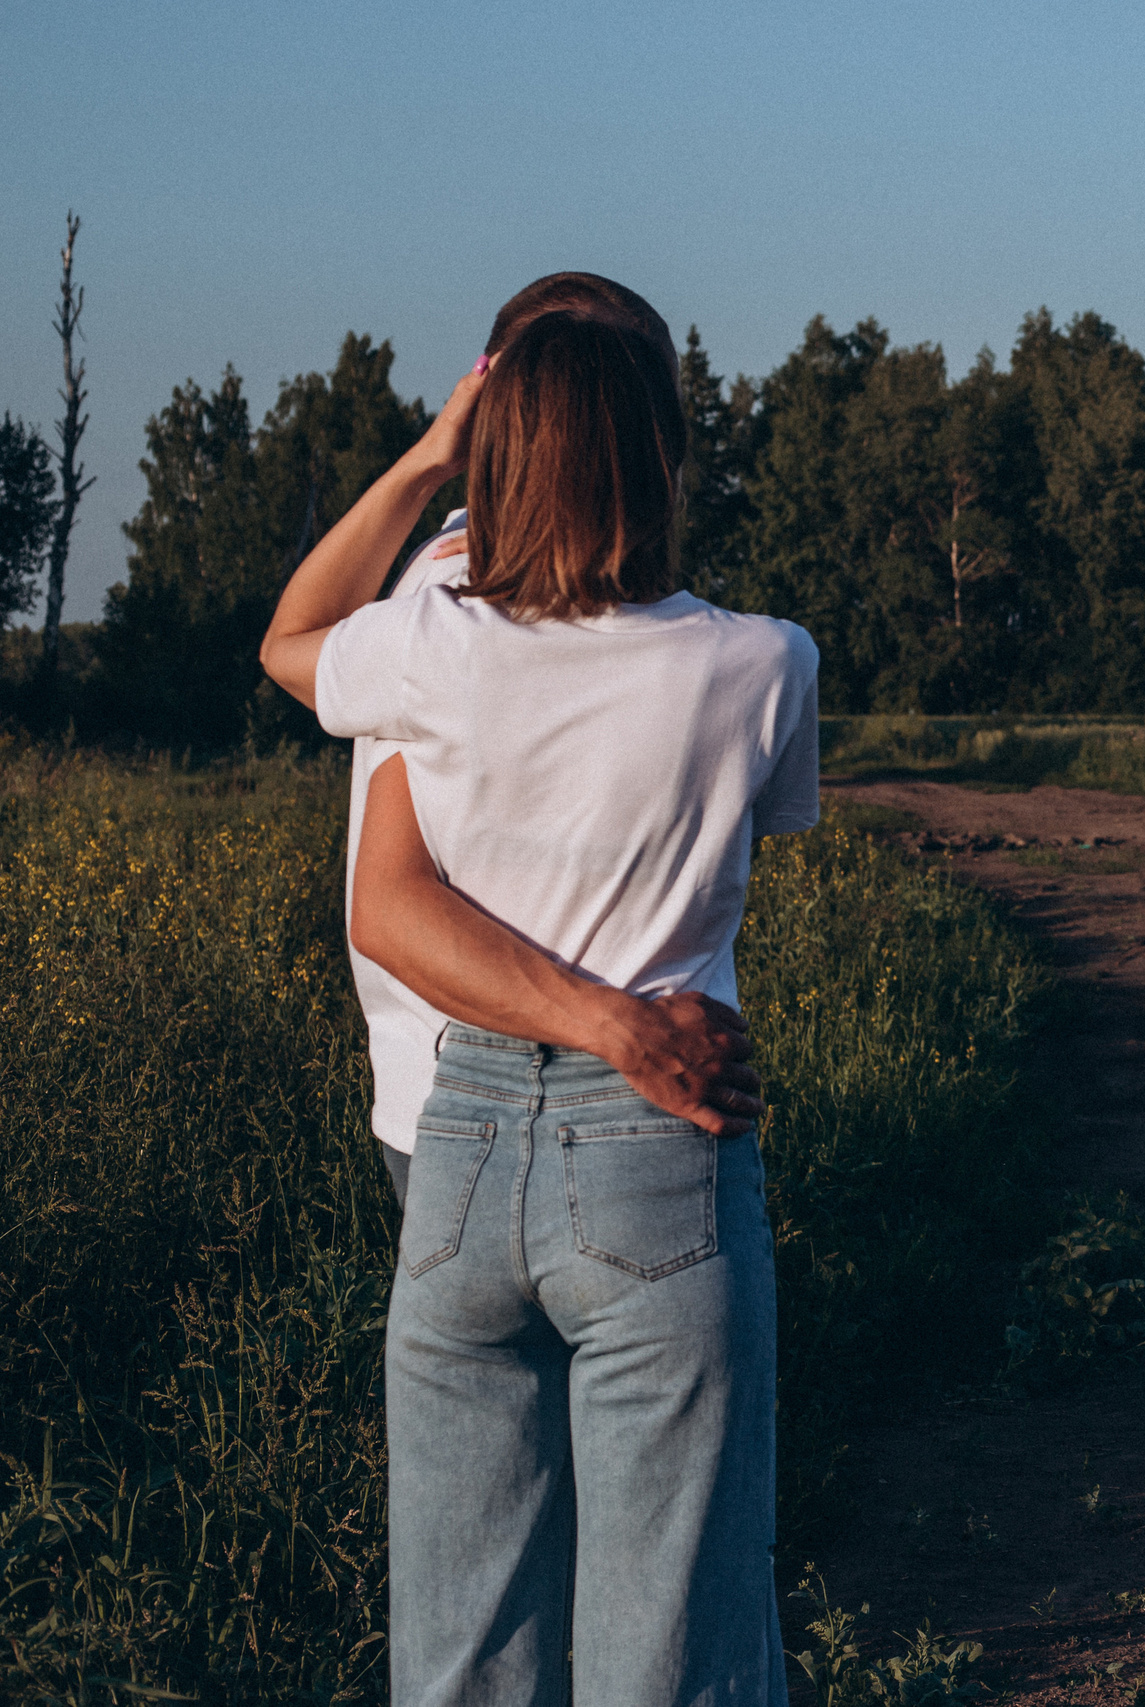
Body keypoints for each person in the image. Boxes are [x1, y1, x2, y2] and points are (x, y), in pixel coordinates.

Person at [261, 302, 819, 1702]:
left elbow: (290, 638)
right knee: (670, 1648)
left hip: (462, 1133)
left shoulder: (428, 640)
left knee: (458, 1651)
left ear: (498, 451)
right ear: (666, 458)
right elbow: (757, 832)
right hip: (657, 1142)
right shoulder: (766, 663)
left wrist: (427, 463)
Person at [345, 273, 763, 1219]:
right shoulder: (450, 608)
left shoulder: (578, 610)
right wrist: (626, 1030)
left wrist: (424, 462)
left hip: (542, 1108)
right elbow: (393, 905)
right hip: (488, 1108)